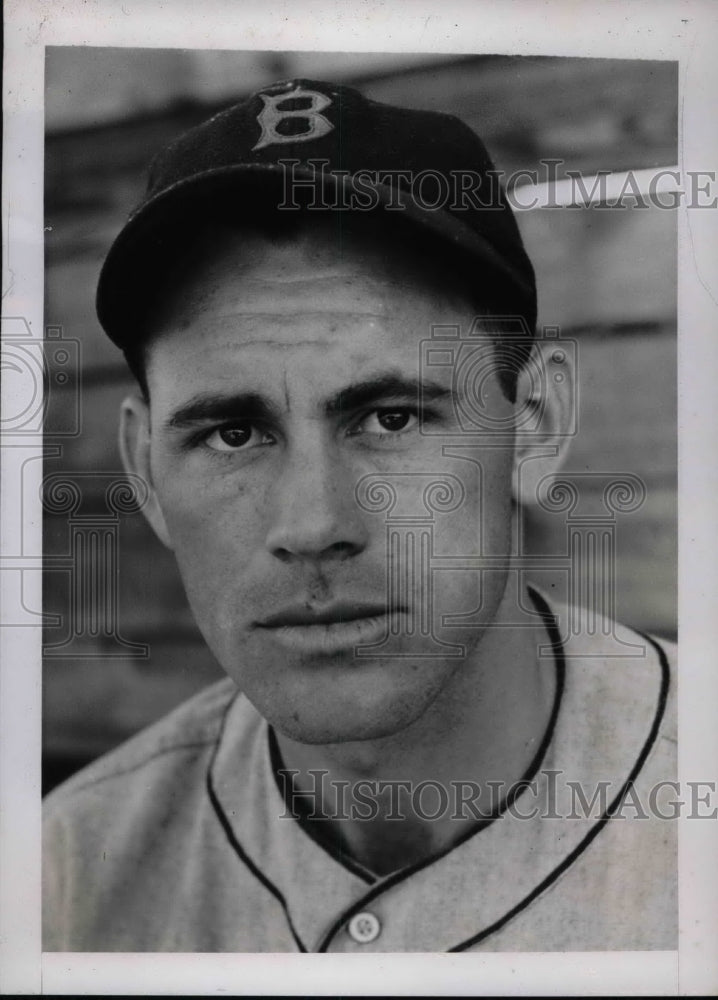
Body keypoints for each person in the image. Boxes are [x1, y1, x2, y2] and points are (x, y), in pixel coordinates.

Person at [43, 78, 676, 952]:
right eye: (234, 432)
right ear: (147, 476)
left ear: (532, 427)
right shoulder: (63, 879)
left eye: (392, 417)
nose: (312, 523)